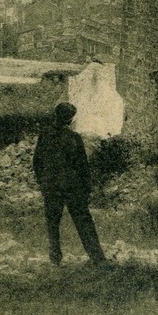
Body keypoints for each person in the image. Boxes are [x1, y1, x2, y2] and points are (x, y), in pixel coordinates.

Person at [32, 102, 106, 266]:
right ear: (71, 119)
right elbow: (82, 166)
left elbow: (37, 162)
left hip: (52, 186)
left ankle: (55, 257)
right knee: (84, 221)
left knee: (53, 223)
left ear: (56, 115)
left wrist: (43, 182)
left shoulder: (45, 136)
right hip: (73, 187)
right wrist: (87, 187)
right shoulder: (74, 138)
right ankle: (97, 258)